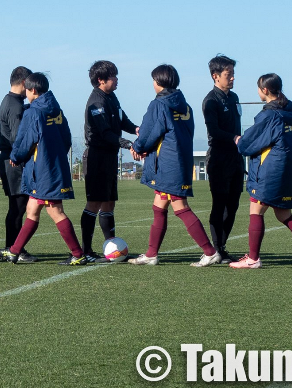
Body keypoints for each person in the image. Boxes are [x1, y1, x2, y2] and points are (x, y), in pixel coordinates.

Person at [229, 74, 292, 269]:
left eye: (258, 88)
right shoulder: (289, 110)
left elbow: (250, 143)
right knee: (283, 214)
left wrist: (239, 141)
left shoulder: (270, 115)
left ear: (265, 90)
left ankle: (253, 259)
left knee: (256, 210)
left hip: (271, 170)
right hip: (287, 169)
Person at [129, 65, 221, 267]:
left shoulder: (159, 104)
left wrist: (138, 147)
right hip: (181, 160)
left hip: (167, 164)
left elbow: (149, 132)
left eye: (153, 80)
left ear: (158, 82)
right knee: (159, 206)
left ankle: (210, 251)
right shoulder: (185, 105)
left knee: (180, 206)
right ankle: (152, 254)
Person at [0, 72, 88, 264]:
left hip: (42, 171)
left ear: (32, 90)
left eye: (27, 91)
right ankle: (14, 251)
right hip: (55, 166)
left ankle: (78, 254)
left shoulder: (33, 112)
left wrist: (16, 156)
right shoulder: (57, 110)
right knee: (32, 208)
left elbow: (26, 140)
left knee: (55, 210)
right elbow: (67, 139)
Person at [80, 60, 137, 260]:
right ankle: (85, 250)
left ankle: (111, 247)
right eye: (113, 76)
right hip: (97, 158)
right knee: (94, 204)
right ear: (100, 80)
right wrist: (128, 144)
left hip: (110, 158)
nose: (116, 79)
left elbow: (123, 121)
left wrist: (137, 129)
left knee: (109, 203)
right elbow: (104, 133)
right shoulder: (96, 102)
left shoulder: (111, 97)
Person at [202, 54, 244, 263]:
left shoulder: (234, 98)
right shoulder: (210, 101)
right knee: (219, 204)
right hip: (219, 158)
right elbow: (214, 131)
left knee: (233, 204)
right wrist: (234, 137)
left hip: (236, 158)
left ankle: (222, 246)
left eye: (233, 74)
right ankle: (216, 248)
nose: (233, 78)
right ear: (215, 76)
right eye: (229, 75)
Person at [0, 66, 32, 251]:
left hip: (9, 159)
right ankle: (14, 248)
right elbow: (19, 138)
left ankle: (12, 247)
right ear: (25, 83)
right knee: (18, 207)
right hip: (13, 161)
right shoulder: (14, 105)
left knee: (17, 207)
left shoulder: (10, 101)